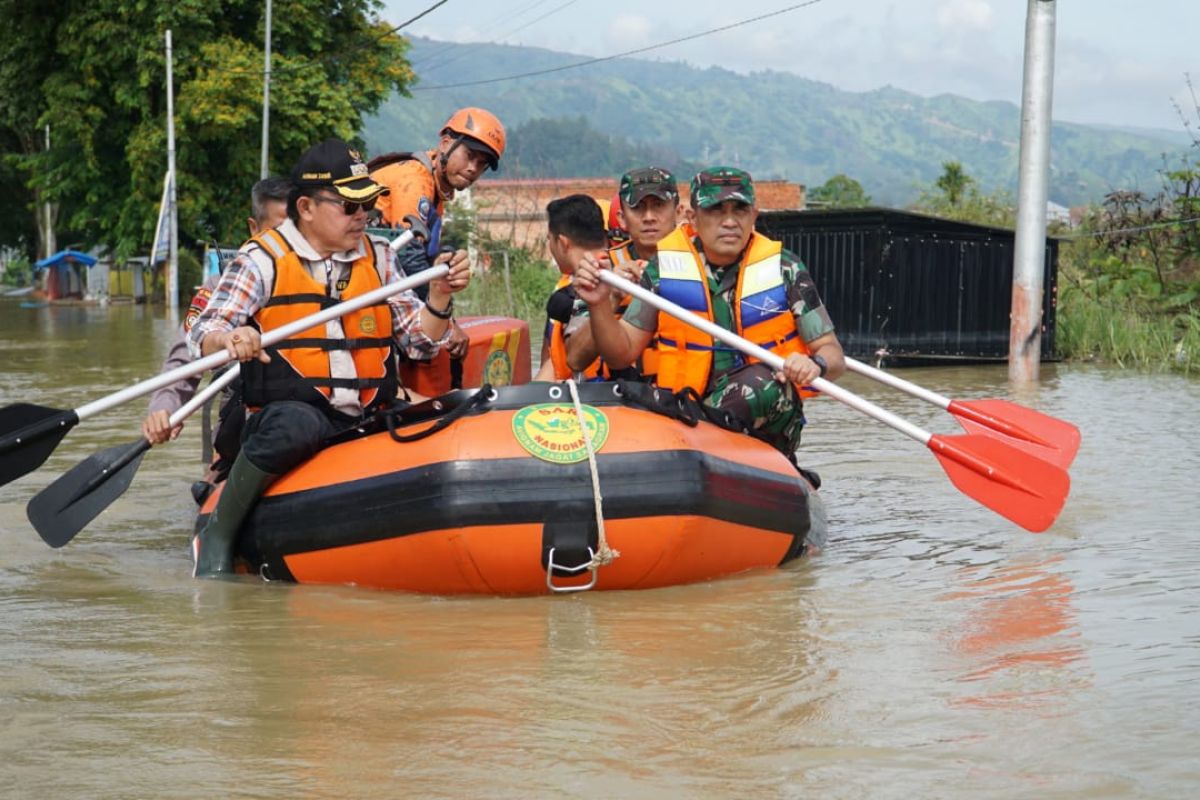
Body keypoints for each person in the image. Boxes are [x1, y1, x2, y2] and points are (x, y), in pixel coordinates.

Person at [186, 139, 471, 577]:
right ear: (306, 206)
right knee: (293, 426)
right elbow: (202, 333)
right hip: (297, 413)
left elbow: (419, 342)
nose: (363, 217)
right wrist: (231, 337)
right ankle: (220, 535)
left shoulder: (378, 257)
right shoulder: (261, 260)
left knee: (431, 415)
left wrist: (439, 297)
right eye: (349, 206)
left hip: (369, 412)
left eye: (368, 205)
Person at [573, 166, 845, 459]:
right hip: (686, 411)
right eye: (716, 210)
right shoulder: (664, 268)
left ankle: (708, 451)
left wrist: (814, 363)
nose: (729, 221)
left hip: (762, 415)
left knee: (762, 384)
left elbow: (834, 354)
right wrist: (600, 304)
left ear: (754, 216)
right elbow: (622, 352)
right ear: (692, 218)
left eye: (739, 210)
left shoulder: (786, 268)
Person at [142, 176, 292, 472]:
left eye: (295, 232)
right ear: (254, 229)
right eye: (278, 232)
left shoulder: (328, 278)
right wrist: (165, 409)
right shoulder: (218, 290)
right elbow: (184, 360)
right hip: (246, 417)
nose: (288, 243)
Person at [369, 107, 507, 359]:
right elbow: (410, 259)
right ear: (445, 144)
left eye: (481, 164)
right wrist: (446, 323)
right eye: (469, 156)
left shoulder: (435, 189)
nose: (472, 168)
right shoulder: (416, 179)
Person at [563, 167, 681, 376]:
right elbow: (575, 358)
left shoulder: (698, 265)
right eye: (638, 208)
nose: (649, 217)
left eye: (659, 206)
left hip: (680, 396)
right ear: (622, 218)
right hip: (614, 398)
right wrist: (608, 298)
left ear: (678, 212)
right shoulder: (600, 268)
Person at [533, 194, 641, 381]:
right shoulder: (634, 272)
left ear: (562, 242)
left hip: (608, 399)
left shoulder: (587, 284)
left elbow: (562, 362)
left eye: (549, 240)